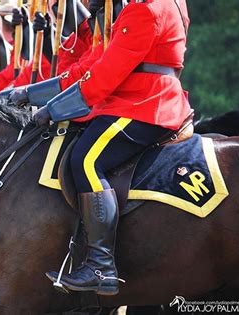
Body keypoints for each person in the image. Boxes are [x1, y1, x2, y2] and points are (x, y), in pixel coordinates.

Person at [34, 0, 191, 295]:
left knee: (86, 160)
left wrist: (52, 109)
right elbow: (91, 65)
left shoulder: (144, 8)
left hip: (145, 104)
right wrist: (30, 94)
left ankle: (101, 265)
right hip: (137, 100)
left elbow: (103, 76)